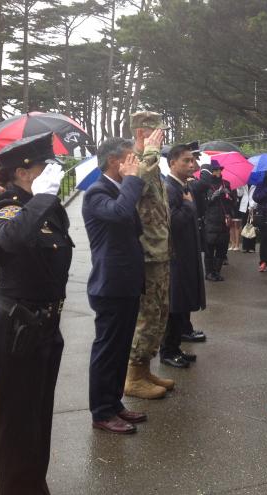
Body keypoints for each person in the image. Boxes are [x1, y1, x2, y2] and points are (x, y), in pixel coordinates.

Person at [0, 132, 72, 494]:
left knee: (38, 419)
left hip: (46, 326)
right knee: (17, 424)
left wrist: (49, 199)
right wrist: (45, 197)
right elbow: (10, 241)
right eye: (43, 167)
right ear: (23, 173)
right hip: (17, 328)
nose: (51, 173)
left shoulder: (43, 206)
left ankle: (34, 485)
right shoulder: (6, 206)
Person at [83, 137, 148, 434]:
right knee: (107, 349)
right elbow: (121, 214)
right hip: (109, 285)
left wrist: (132, 182)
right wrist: (132, 181)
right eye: (131, 158)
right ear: (114, 162)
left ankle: (114, 402)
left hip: (126, 282)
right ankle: (101, 411)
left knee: (121, 348)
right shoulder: (96, 193)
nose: (135, 163)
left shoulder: (119, 190)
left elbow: (134, 225)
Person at [124, 111, 176, 401]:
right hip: (146, 254)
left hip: (160, 251)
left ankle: (144, 368)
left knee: (159, 313)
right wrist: (150, 150)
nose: (162, 136)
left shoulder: (152, 164)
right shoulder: (137, 161)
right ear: (143, 133)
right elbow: (136, 184)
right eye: (158, 132)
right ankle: (133, 375)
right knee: (147, 315)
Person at [161, 143, 205, 368]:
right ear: (172, 163)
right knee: (175, 306)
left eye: (192, 160)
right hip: (176, 258)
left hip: (187, 255)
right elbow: (172, 223)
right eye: (186, 161)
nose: (191, 164)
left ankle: (176, 346)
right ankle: (168, 351)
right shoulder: (169, 188)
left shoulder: (183, 187)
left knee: (183, 304)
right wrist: (188, 208)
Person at [200, 160, 233, 282]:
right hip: (210, 221)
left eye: (219, 169)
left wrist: (229, 195)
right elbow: (203, 204)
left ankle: (217, 272)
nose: (217, 172)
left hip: (224, 221)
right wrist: (213, 196)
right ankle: (209, 273)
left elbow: (233, 202)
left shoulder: (226, 184)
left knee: (222, 248)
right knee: (209, 248)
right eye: (214, 170)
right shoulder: (205, 186)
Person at [237, 184, 257, 253]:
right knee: (244, 226)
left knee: (252, 226)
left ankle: (252, 247)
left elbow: (257, 196)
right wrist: (239, 187)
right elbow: (239, 194)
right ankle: (245, 247)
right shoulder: (243, 183)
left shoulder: (255, 184)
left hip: (252, 207)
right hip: (244, 207)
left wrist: (253, 206)